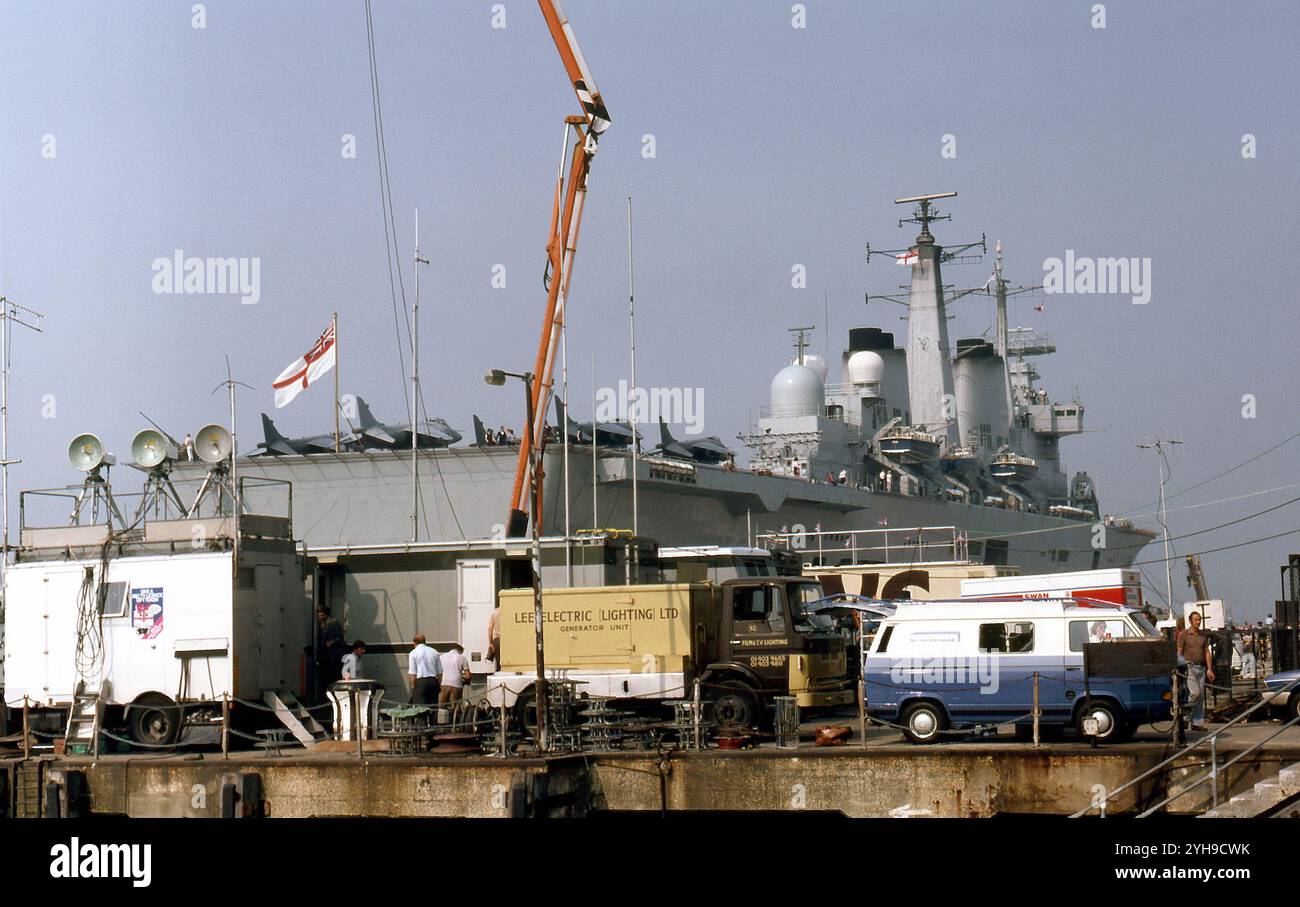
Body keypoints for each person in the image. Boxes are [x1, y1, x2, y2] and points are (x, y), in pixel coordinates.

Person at [1177, 610, 1215, 732]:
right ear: (1190, 621)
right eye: (1196, 620)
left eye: (1199, 620)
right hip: (1189, 667)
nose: (1198, 622)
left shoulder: (1203, 635)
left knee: (1201, 696)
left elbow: (1207, 652)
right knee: (1195, 693)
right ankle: (1185, 715)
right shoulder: (1184, 635)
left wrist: (1209, 669)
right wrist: (1180, 666)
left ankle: (1197, 722)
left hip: (1201, 667)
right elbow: (1179, 651)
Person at [408, 634, 442, 705]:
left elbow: (412, 673)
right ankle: (433, 716)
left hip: (421, 682)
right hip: (433, 681)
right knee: (433, 707)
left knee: (420, 708)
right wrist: (438, 683)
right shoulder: (434, 652)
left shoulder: (413, 653)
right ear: (425, 642)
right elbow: (440, 672)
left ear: (414, 643)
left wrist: (413, 685)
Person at [316, 607, 346, 687]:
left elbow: (340, 637)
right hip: (327, 654)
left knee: (332, 674)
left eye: (322, 615)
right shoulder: (323, 624)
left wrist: (331, 642)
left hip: (333, 654)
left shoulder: (333, 623)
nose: (320, 617)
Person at [486, 602, 502, 667]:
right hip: (509, 639)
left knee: (499, 660)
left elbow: (490, 629)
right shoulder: (511, 611)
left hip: (498, 640)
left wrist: (490, 643)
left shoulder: (495, 612)